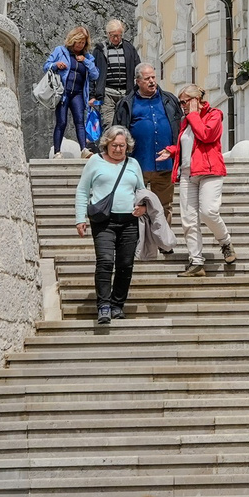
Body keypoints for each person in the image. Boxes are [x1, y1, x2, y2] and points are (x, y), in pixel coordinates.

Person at [74, 125, 153, 324]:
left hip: (129, 222)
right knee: (105, 261)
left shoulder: (133, 164)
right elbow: (82, 190)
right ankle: (104, 306)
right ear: (106, 144)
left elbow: (142, 191)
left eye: (122, 146)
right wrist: (80, 218)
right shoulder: (94, 161)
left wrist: (143, 207)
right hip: (103, 221)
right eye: (114, 145)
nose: (118, 149)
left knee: (125, 264)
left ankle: (117, 304)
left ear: (127, 146)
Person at [176, 83, 236, 277]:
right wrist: (172, 150)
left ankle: (225, 242)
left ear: (195, 100)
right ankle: (196, 261)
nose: (182, 106)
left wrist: (194, 115)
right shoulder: (186, 121)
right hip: (188, 173)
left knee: (209, 211)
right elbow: (189, 146)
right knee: (188, 219)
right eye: (180, 103)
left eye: (184, 102)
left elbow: (206, 136)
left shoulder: (214, 115)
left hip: (210, 170)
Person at [124, 62, 181, 216]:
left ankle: (163, 233)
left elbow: (179, 127)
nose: (151, 81)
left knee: (164, 207)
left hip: (165, 166)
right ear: (138, 81)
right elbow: (120, 131)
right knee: (135, 207)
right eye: (147, 78)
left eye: (153, 77)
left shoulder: (169, 100)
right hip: (138, 165)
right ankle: (138, 233)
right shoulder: (127, 103)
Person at [44, 26, 102, 157]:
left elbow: (95, 75)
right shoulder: (60, 51)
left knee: (80, 121)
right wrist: (56, 65)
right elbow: (46, 66)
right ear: (72, 40)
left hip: (78, 93)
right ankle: (57, 152)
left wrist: (85, 61)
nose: (80, 45)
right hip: (63, 93)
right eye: (78, 42)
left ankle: (84, 149)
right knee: (62, 122)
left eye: (83, 43)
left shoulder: (87, 57)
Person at [97, 19, 140, 151]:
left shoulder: (129, 48)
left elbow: (137, 68)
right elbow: (94, 73)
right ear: (108, 34)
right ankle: (107, 153)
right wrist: (93, 95)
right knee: (108, 124)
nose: (116, 38)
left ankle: (124, 152)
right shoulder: (100, 50)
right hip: (108, 93)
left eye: (119, 35)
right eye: (113, 35)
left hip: (126, 93)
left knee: (125, 124)